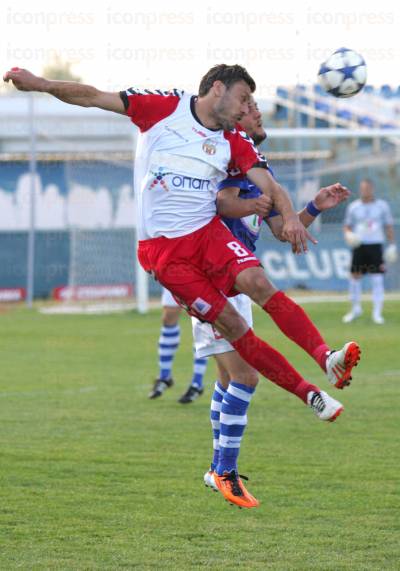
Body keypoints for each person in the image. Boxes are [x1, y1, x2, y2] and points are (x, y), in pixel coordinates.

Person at [4, 64, 361, 509]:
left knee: (257, 285)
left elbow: (270, 187)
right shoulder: (165, 108)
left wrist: (293, 213)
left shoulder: (235, 141)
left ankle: (324, 360)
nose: (250, 110)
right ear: (217, 89)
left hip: (208, 237)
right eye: (245, 100)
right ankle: (284, 415)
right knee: (235, 345)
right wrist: (40, 85)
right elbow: (94, 95)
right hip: (166, 254)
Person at [194, 99, 352, 503]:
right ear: (234, 118)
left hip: (236, 283)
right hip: (211, 279)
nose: (258, 112)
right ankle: (223, 470)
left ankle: (217, 468)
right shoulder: (230, 156)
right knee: (246, 378)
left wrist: (314, 206)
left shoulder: (257, 170)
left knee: (230, 379)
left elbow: (284, 229)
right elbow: (222, 202)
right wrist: (253, 204)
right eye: (249, 107)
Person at [343, 178, 397, 324]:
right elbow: (347, 225)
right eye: (363, 188)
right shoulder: (354, 207)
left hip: (375, 245)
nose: (365, 191)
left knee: (377, 278)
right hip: (359, 245)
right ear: (360, 190)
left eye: (367, 188)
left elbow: (388, 226)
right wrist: (348, 234)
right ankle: (355, 309)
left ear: (372, 189)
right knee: (355, 276)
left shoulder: (382, 206)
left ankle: (377, 313)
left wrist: (392, 244)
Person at [149, 287, 207, 403]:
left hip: (201, 275)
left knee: (202, 322)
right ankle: (165, 377)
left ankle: (197, 383)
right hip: (176, 272)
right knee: (168, 318)